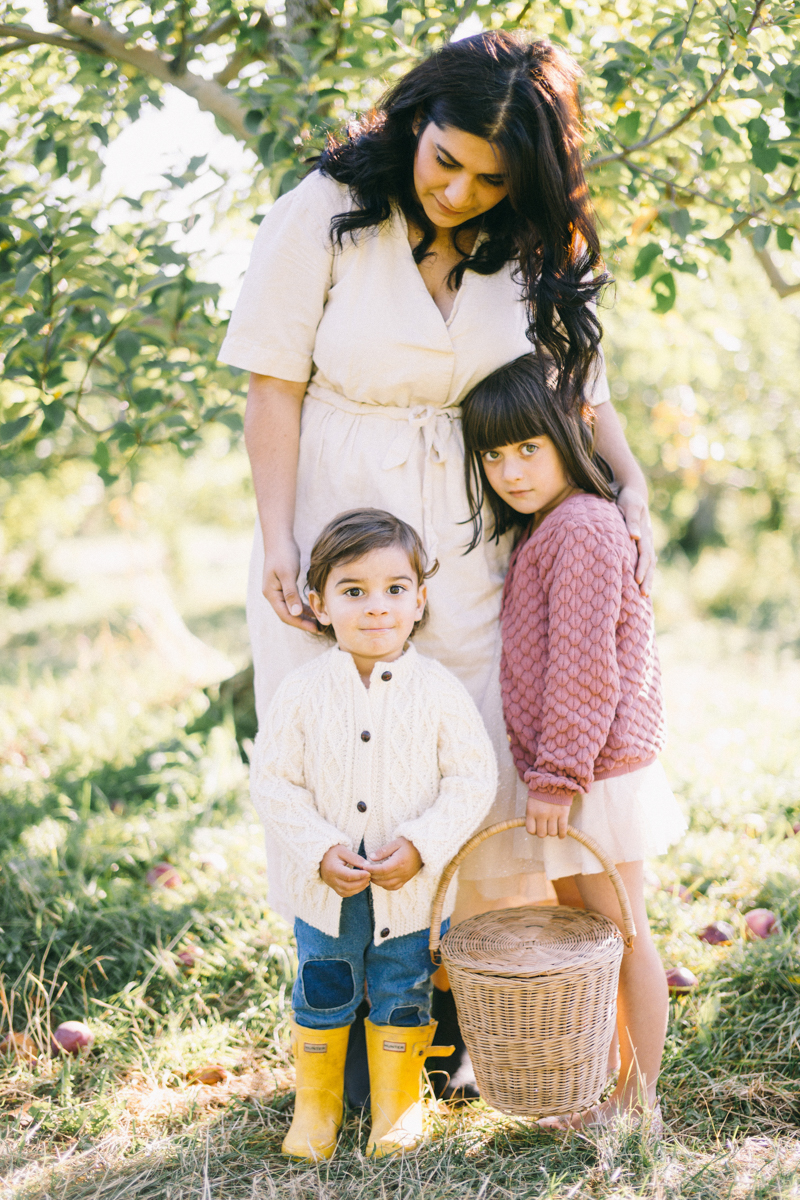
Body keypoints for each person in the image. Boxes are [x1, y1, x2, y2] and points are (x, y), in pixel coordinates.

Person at [219, 29, 655, 1098]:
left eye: (487, 179)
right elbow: (270, 384)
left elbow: (577, 389)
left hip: (471, 540)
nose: (457, 190)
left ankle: (456, 1015)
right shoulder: (321, 212)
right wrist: (278, 539)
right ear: (415, 119)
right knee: (342, 760)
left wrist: (626, 481)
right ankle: (348, 1022)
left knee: (466, 759)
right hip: (338, 526)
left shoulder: (526, 244)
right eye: (443, 158)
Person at [460, 353, 686, 1125]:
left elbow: (587, 671)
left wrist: (556, 776)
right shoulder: (545, 529)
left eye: (529, 448)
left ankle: (641, 1100)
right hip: (571, 770)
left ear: (571, 433)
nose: (511, 471)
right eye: (493, 455)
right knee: (590, 937)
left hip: (597, 772)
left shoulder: (585, 527)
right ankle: (607, 1091)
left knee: (622, 936)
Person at [250, 509, 497, 1159]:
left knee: (403, 987)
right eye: (352, 590)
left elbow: (474, 781)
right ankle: (317, 1108)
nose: (376, 606)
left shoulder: (439, 692)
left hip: (409, 898)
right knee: (323, 984)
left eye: (394, 589)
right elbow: (274, 782)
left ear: (420, 600)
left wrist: (420, 845)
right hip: (327, 893)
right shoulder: (302, 692)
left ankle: (397, 1106)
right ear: (319, 603)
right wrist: (317, 848)